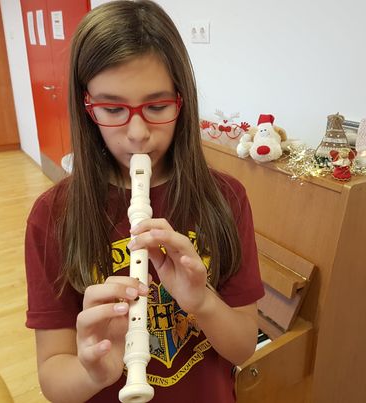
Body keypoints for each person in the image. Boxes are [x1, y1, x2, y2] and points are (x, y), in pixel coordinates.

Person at [24, 1, 264, 402]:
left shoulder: (226, 198)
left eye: (156, 106)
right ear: (86, 107)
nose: (137, 133)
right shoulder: (53, 216)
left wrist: (203, 302)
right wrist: (90, 372)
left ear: (182, 100)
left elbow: (242, 348)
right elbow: (53, 379)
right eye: (112, 108)